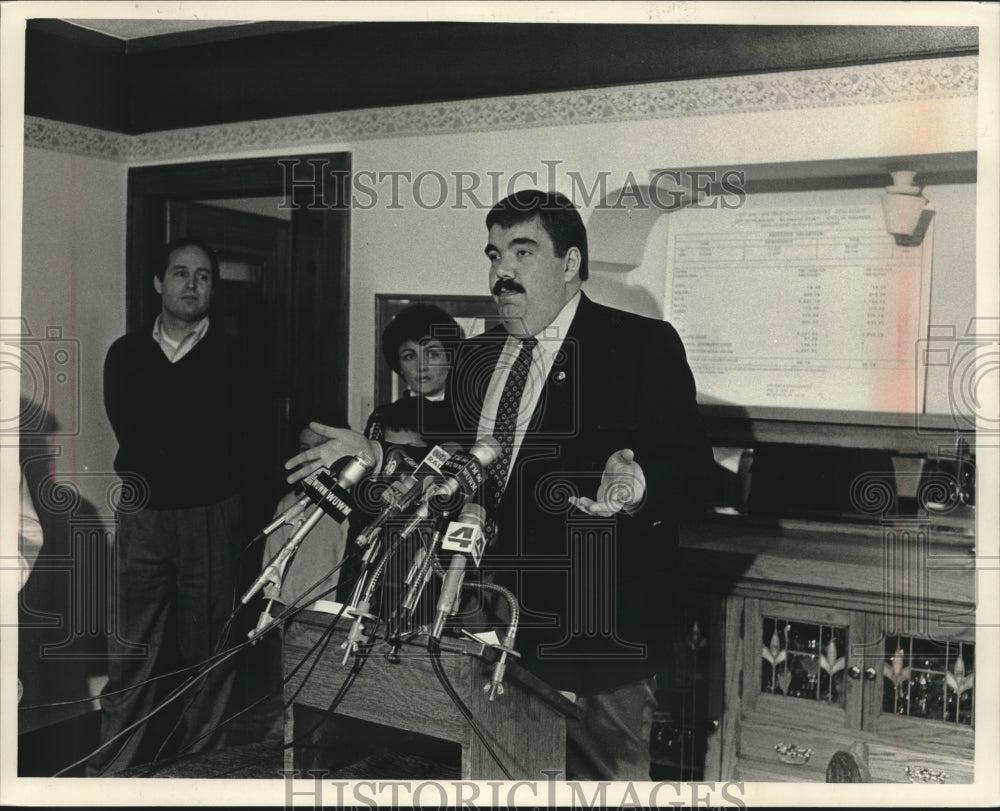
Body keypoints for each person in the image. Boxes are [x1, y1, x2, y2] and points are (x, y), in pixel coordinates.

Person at [286, 190, 714, 781]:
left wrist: (638, 486)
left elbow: (694, 472)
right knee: (493, 774)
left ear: (569, 264)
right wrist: (378, 452)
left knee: (602, 785)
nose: (501, 272)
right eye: (494, 254)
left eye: (522, 251)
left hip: (594, 627)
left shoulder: (640, 346)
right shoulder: (478, 355)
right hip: (486, 616)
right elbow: (457, 464)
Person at [89, 239, 264, 775]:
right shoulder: (126, 353)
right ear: (159, 283)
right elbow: (135, 434)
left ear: (213, 287)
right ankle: (111, 772)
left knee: (211, 650)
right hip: (144, 515)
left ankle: (203, 770)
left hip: (212, 516)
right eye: (181, 273)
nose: (192, 284)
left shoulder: (234, 356)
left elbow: (241, 441)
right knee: (131, 651)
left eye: (204, 276)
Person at [363, 303, 464, 443]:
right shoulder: (383, 417)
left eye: (432, 354)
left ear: (450, 359)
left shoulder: (472, 416)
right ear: (399, 367)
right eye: (409, 356)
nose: (421, 366)